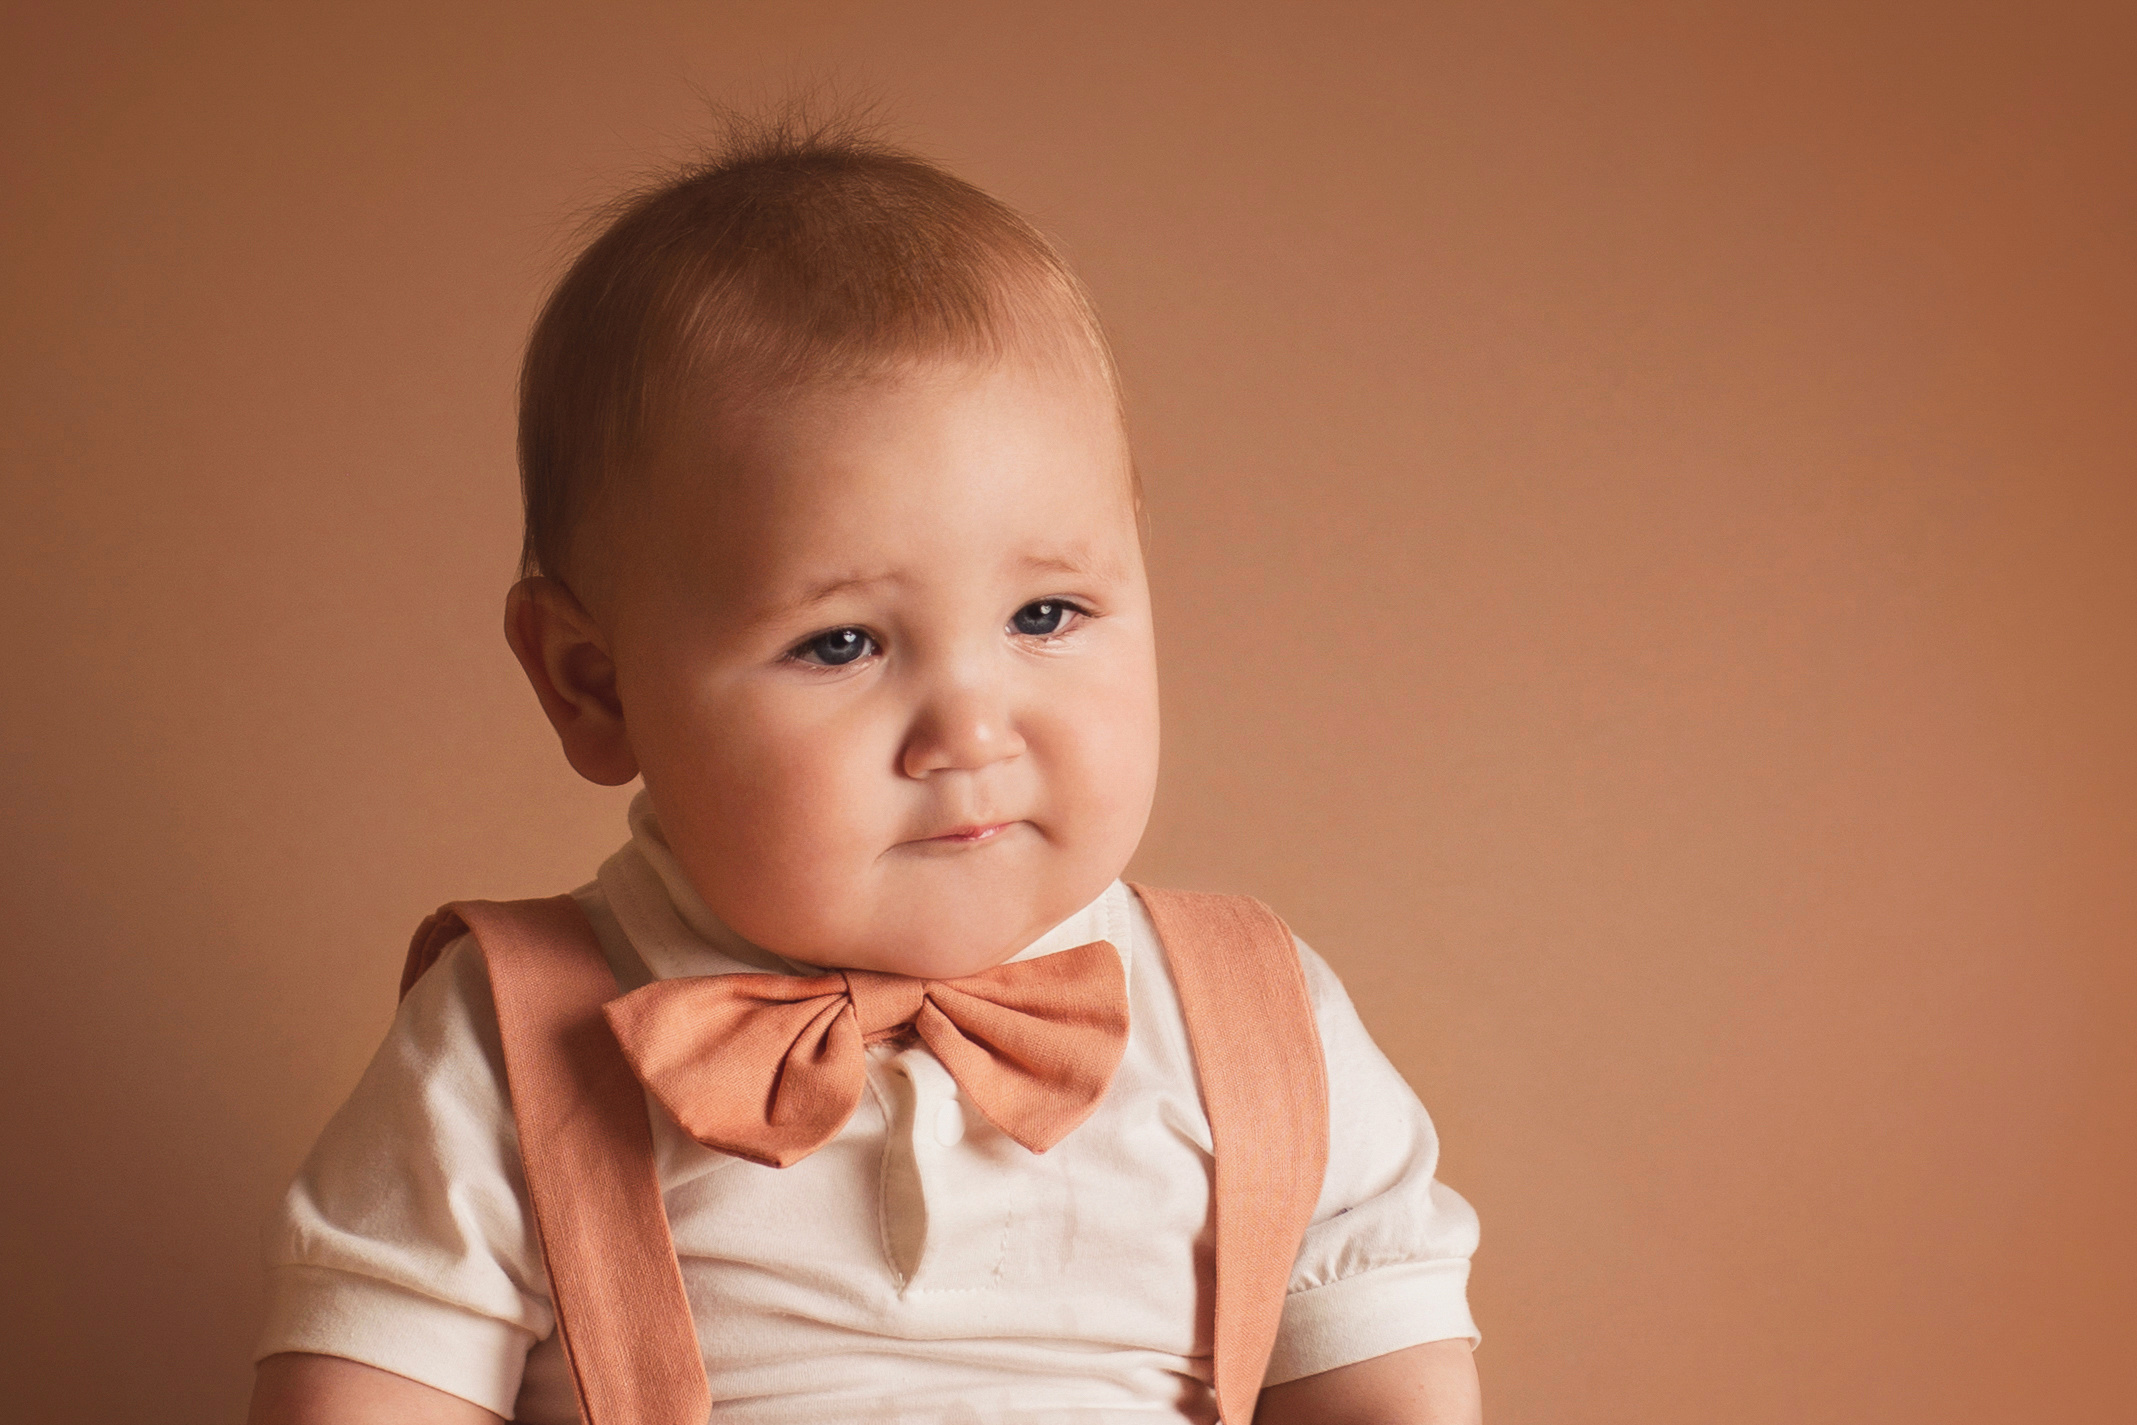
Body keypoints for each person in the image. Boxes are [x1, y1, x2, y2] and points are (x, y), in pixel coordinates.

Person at [246, 118, 1483, 1425]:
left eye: (1046, 615)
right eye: (840, 642)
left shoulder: (1257, 1018)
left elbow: (1385, 1376)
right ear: (590, 682)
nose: (970, 728)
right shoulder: (509, 1042)